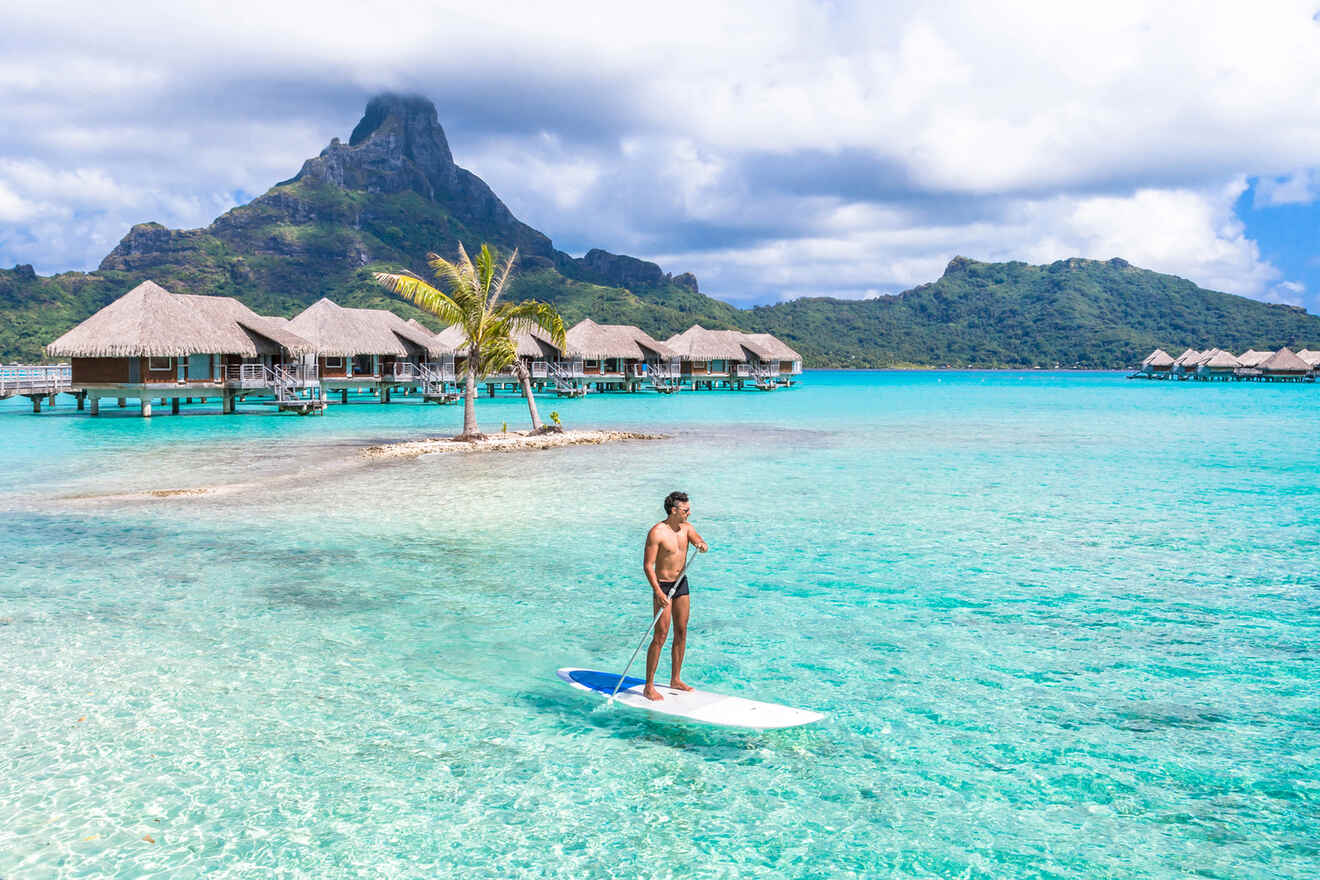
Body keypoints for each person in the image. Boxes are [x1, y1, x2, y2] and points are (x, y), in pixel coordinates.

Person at [641, 490, 708, 701]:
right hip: (662, 585)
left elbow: (697, 539)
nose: (689, 513)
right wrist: (658, 592)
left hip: (680, 584)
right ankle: (649, 686)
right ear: (674, 510)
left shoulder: (687, 529)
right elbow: (648, 566)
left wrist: (701, 544)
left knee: (681, 631)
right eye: (686, 510)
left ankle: (675, 679)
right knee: (660, 635)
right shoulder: (657, 532)